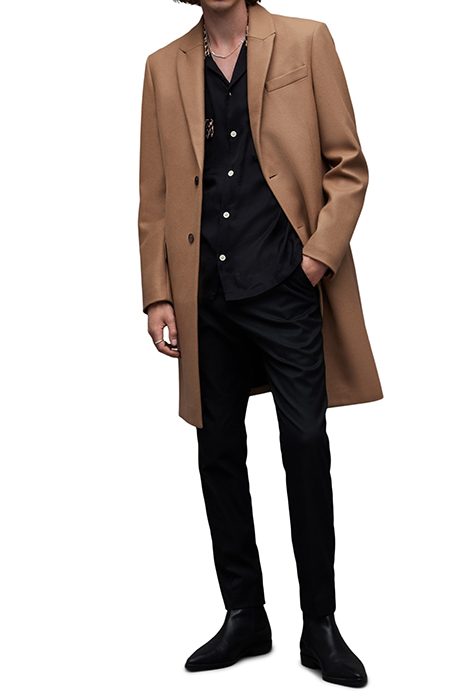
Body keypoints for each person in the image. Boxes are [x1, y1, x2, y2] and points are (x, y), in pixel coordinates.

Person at [138, 0, 383, 688]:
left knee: (304, 443)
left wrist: (316, 259)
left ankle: (320, 626)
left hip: (285, 283)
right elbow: (154, 194)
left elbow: (348, 166)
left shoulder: (306, 41)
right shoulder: (162, 67)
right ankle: (245, 615)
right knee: (217, 451)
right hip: (205, 293)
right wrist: (159, 293)